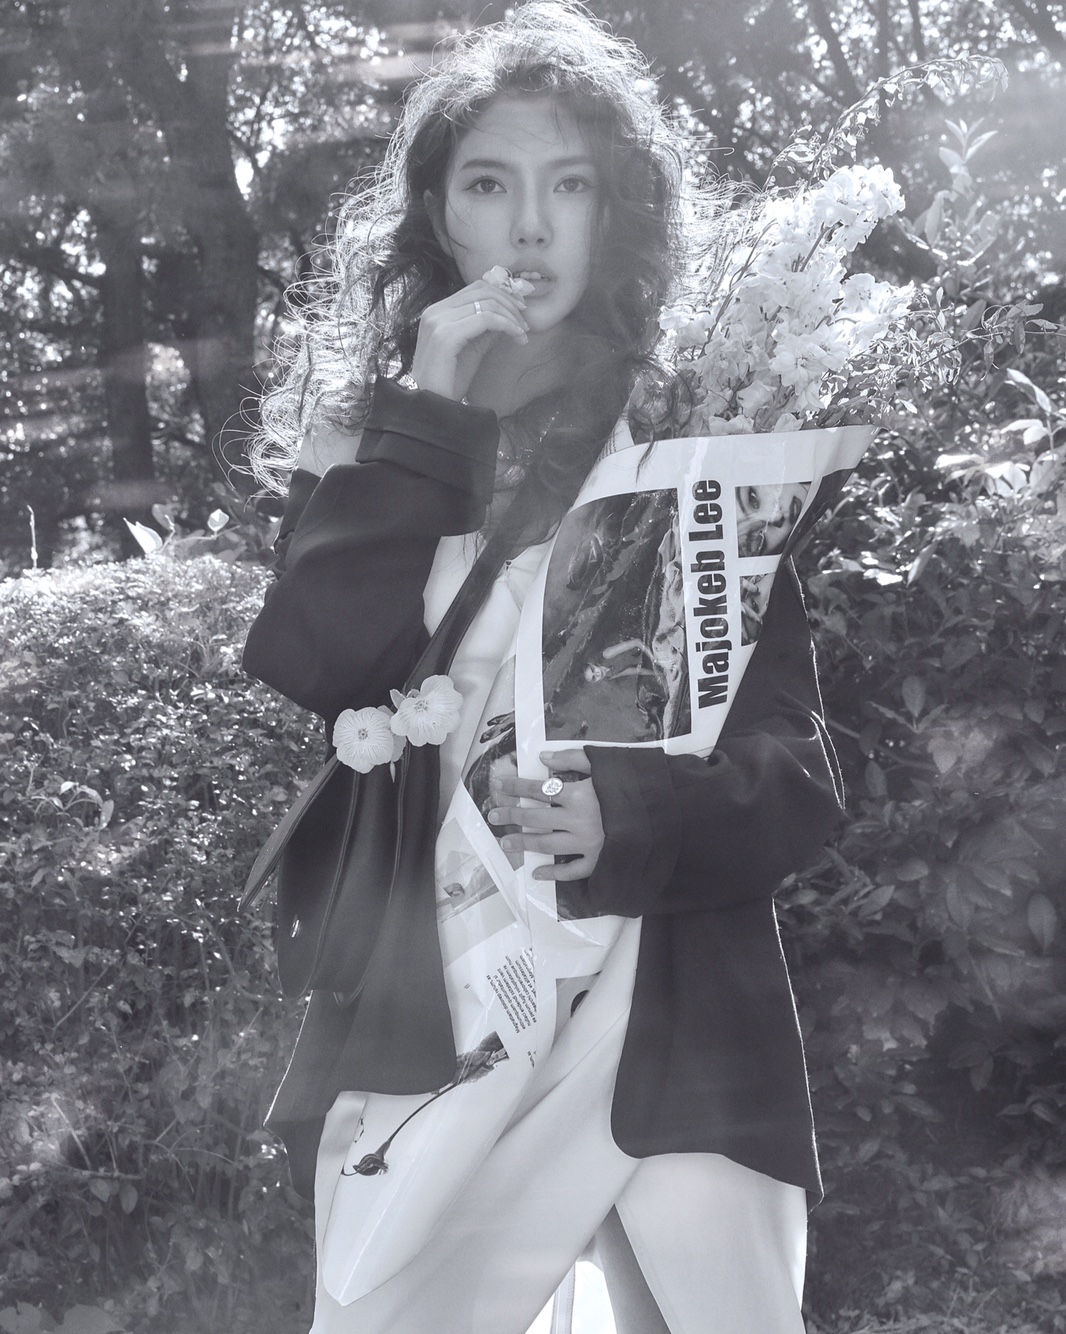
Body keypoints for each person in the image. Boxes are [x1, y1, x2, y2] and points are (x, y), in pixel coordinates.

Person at [242, 5, 843, 1332]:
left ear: (612, 208)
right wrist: (428, 408)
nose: (529, 228)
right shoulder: (364, 437)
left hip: (664, 1003)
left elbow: (799, 780)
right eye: (488, 185)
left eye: (567, 185)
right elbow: (320, 662)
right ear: (435, 213)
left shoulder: (690, 440)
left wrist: (623, 816)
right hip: (438, 996)